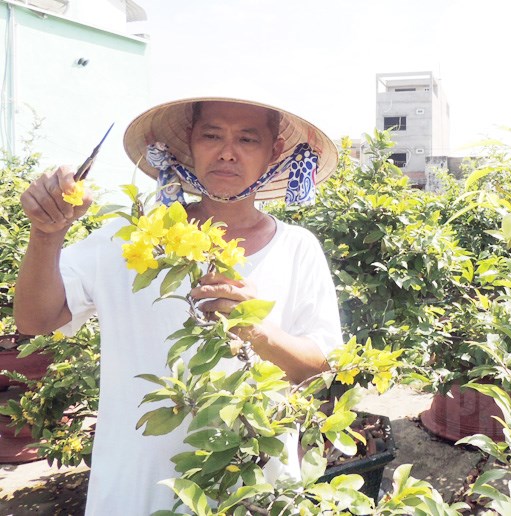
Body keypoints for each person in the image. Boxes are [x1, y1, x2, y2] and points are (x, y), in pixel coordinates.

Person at [14, 96, 344, 514]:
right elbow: (34, 319)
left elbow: (320, 367)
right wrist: (47, 233)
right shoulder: (130, 238)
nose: (227, 151)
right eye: (211, 135)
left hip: (251, 486)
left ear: (273, 152)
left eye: (247, 138)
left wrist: (255, 329)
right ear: (189, 143)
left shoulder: (298, 249)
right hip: (134, 487)